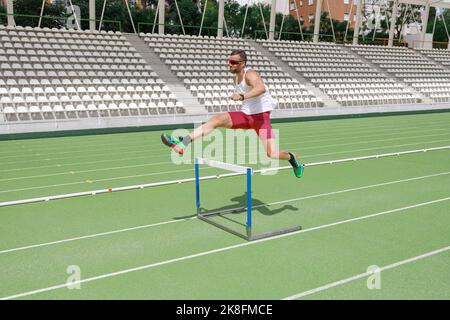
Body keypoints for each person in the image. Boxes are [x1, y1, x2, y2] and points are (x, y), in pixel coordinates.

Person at [161, 49, 304, 178]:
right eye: (228, 61)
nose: (229, 64)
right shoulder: (235, 78)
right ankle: (182, 143)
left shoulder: (250, 74)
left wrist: (241, 97)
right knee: (216, 120)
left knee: (272, 154)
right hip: (245, 116)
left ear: (243, 63)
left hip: (261, 118)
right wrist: (239, 95)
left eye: (233, 62)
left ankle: (292, 159)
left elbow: (260, 88)